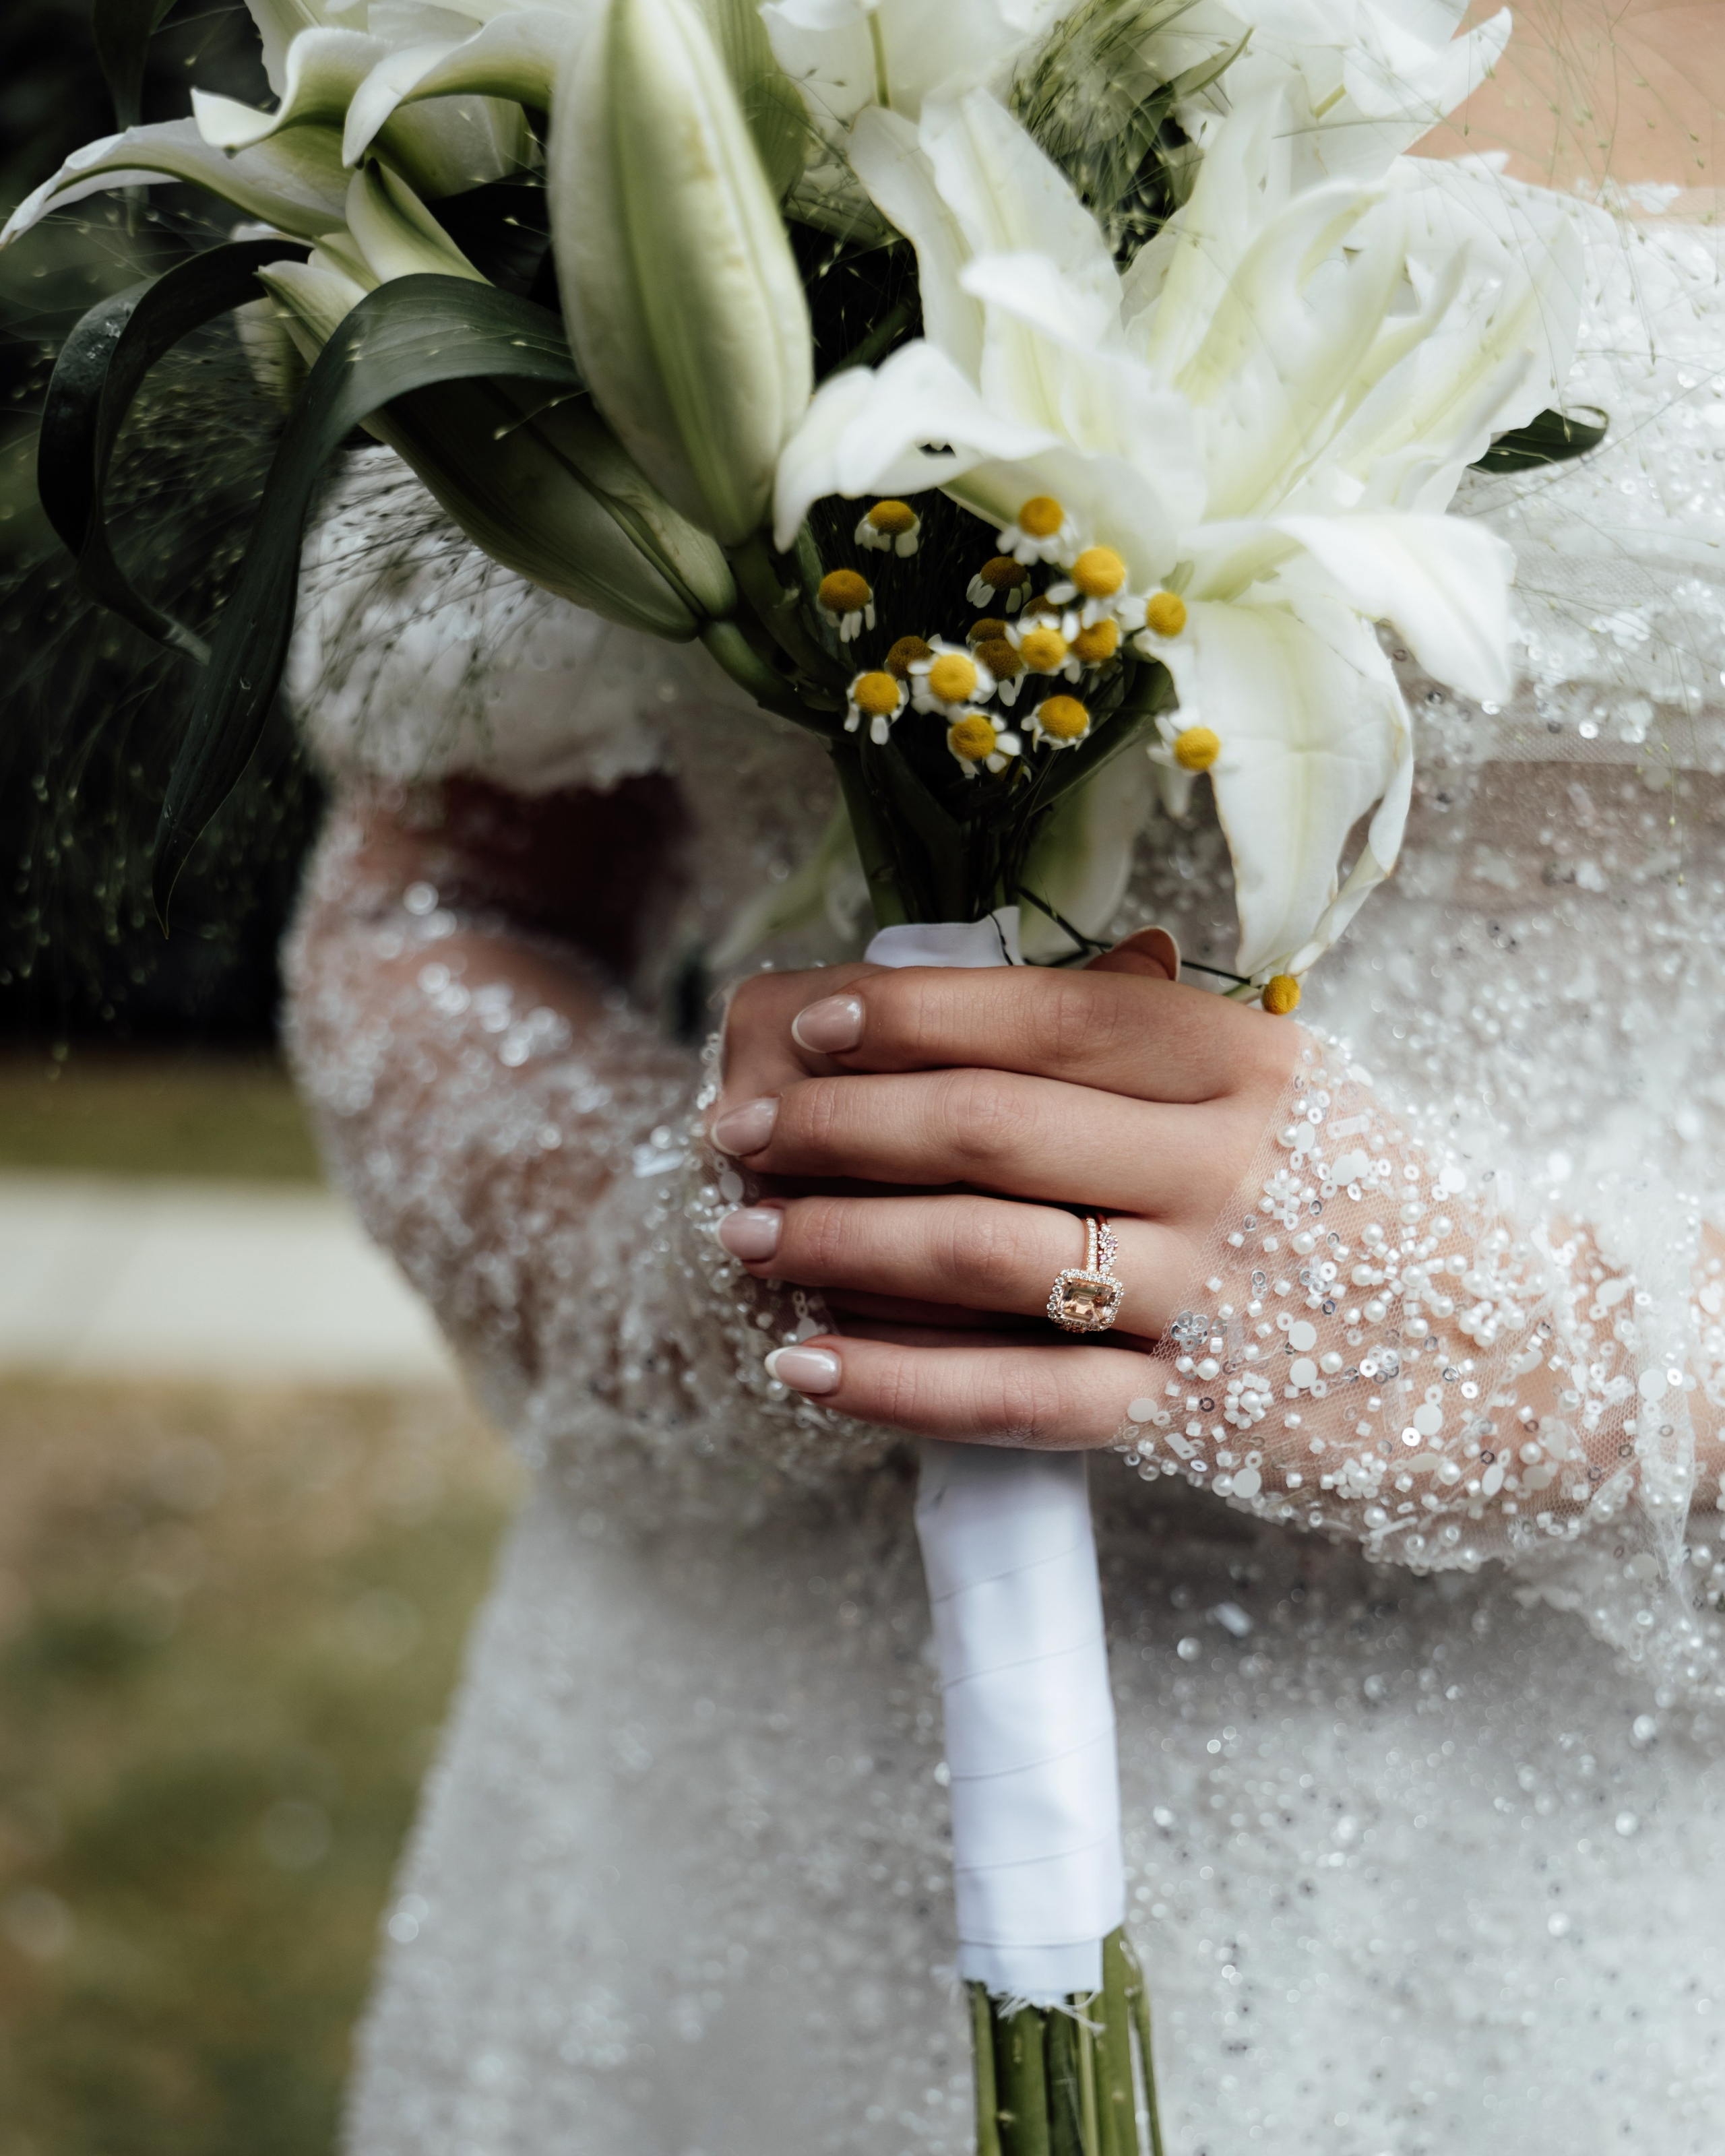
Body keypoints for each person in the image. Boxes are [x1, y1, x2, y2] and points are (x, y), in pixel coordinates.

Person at [283, 26, 1725, 2152]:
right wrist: (683, 1267)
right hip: (740, 1778)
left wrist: (1571, 1369)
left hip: (1569, 1858)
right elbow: (428, 916)